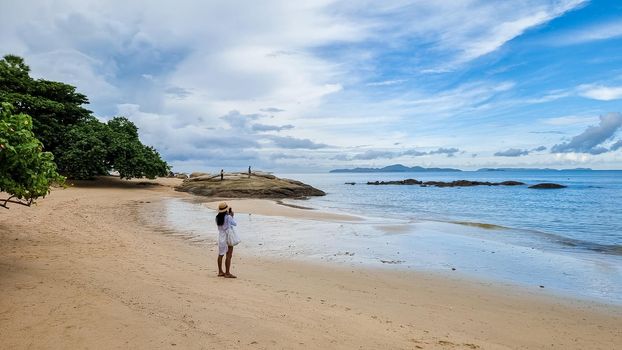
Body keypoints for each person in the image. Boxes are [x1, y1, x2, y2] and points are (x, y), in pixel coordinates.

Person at [216, 202, 236, 278]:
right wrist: (232, 216)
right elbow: (234, 224)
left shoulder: (217, 217)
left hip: (221, 236)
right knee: (229, 255)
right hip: (228, 236)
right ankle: (227, 273)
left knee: (220, 254)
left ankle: (220, 271)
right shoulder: (228, 217)